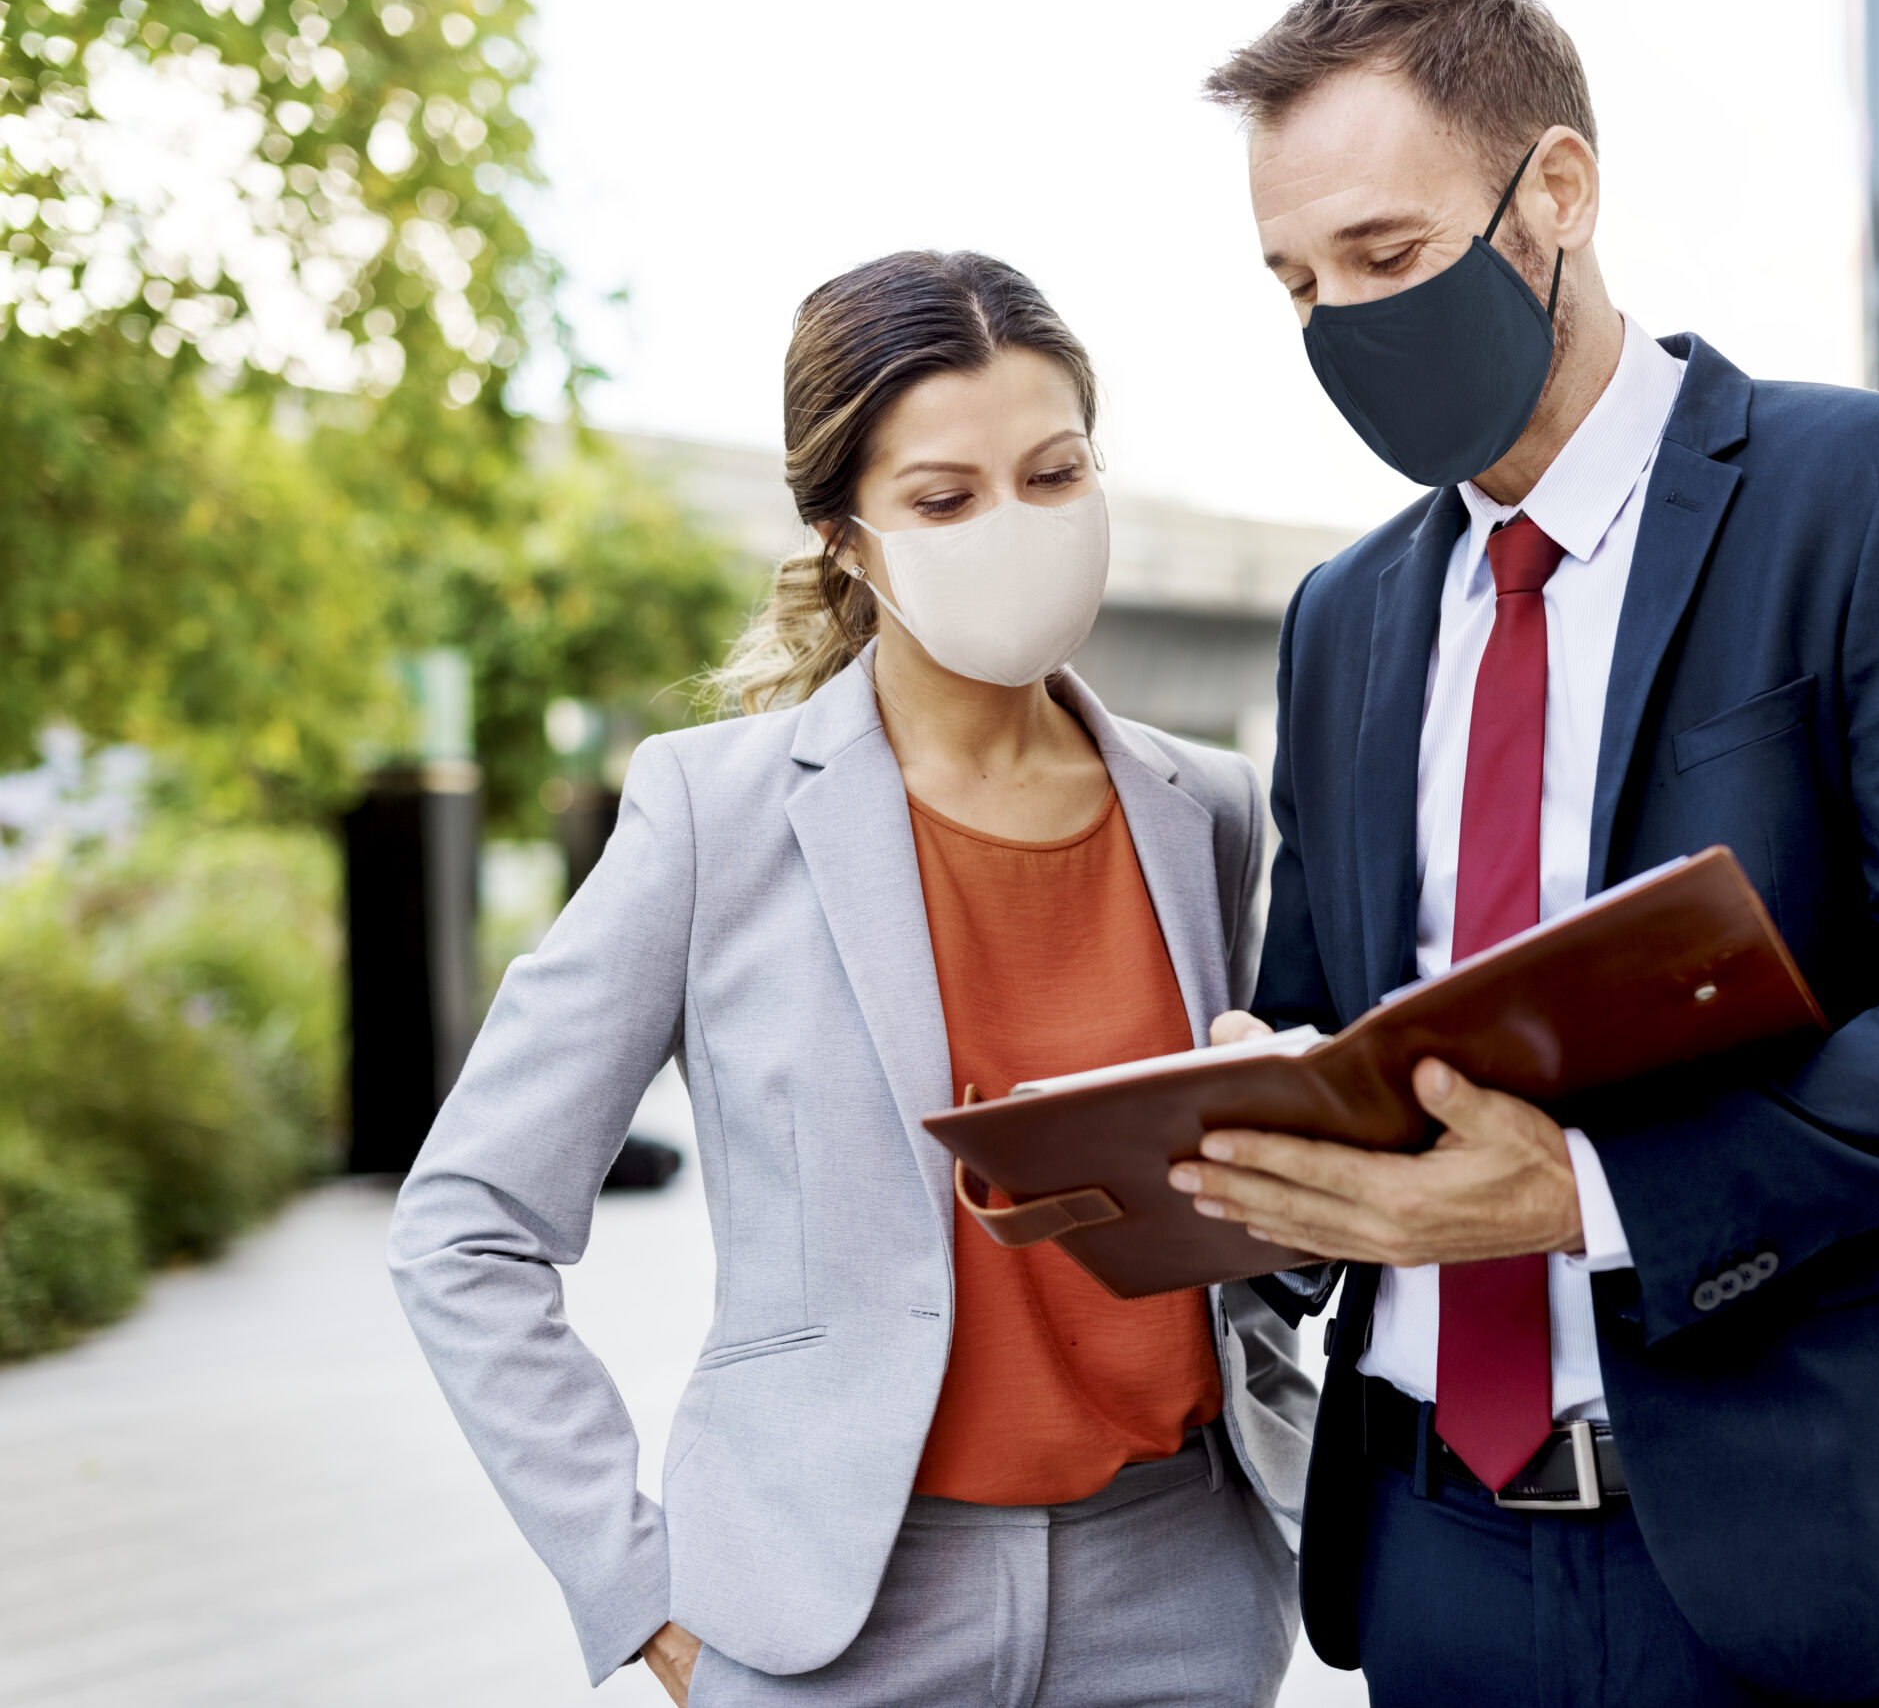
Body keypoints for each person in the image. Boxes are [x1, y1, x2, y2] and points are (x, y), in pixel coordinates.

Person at [1166, 3, 1879, 1706]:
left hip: (1800, 1548)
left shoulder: (1878, 495)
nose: (1339, 325)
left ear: (1557, 191)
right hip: (1431, 1551)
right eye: (1297, 283)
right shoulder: (1344, 619)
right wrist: (1268, 1137)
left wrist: (1591, 1195)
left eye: (1385, 253)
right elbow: (1325, 1018)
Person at [388, 251, 1312, 1708]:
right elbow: (464, 1225)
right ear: (848, 536)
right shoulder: (713, 814)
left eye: (1056, 474)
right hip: (839, 1621)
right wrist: (636, 1588)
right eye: (946, 499)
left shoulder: (1211, 808)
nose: (1015, 526)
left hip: (1179, 1594)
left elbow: (1270, 1222)